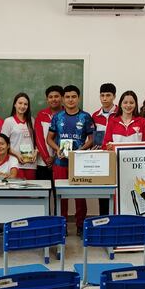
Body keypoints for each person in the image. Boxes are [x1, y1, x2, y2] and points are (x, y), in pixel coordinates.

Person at [46, 85, 95, 236]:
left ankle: (80, 226)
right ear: (63, 99)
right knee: (61, 196)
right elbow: (49, 138)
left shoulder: (85, 117)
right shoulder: (57, 117)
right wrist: (57, 149)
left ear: (78, 98)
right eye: (67, 97)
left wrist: (81, 150)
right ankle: (62, 226)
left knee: (80, 196)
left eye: (73, 96)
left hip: (79, 163)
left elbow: (92, 139)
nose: (70, 99)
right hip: (60, 163)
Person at [92, 83, 117, 216]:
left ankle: (117, 219)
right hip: (101, 160)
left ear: (114, 96)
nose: (105, 98)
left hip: (117, 158)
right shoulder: (95, 116)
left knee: (118, 191)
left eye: (108, 95)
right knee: (103, 192)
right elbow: (93, 138)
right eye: (102, 95)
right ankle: (104, 219)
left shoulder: (120, 113)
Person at [0, 93, 37, 179]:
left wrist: (36, 152)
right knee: (17, 187)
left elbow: (37, 141)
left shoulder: (32, 120)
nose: (22, 106)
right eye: (20, 103)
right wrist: (17, 154)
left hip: (31, 164)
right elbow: (3, 144)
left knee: (30, 186)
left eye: (25, 104)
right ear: (15, 104)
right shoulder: (8, 121)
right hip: (15, 163)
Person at [34, 86, 64, 180]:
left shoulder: (67, 114)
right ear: (47, 99)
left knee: (60, 188)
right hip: (43, 162)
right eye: (50, 97)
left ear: (62, 98)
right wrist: (47, 158)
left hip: (62, 161)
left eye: (56, 96)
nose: (53, 99)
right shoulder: (41, 115)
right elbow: (39, 139)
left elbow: (67, 138)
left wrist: (55, 157)